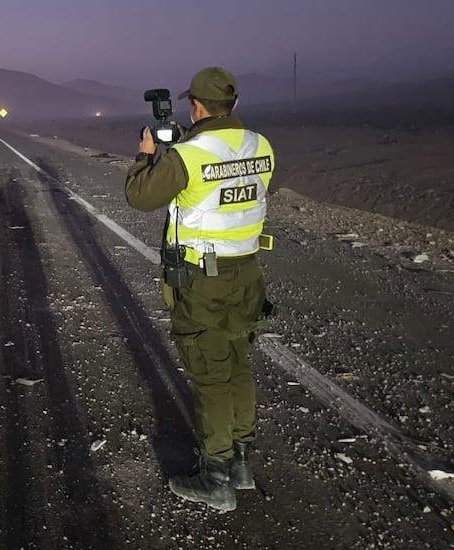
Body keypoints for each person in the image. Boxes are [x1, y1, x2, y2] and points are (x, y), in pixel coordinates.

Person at [124, 67, 275, 512]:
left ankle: (216, 477)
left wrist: (147, 155)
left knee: (210, 376)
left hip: (204, 280)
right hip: (246, 273)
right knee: (238, 364)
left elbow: (141, 196)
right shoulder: (260, 145)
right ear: (234, 104)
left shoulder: (189, 155)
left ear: (196, 106)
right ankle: (242, 463)